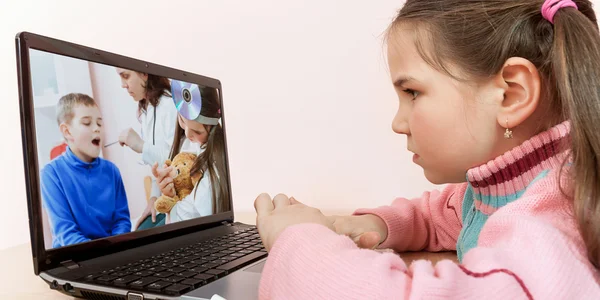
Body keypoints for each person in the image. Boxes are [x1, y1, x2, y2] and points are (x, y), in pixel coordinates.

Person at [253, 0, 600, 299]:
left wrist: (296, 241)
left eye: (412, 93)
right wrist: (371, 223)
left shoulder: (550, 225)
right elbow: (440, 215)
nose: (398, 123)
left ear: (511, 94)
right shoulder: (510, 187)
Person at [41, 93, 131, 248]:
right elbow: (66, 233)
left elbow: (122, 221)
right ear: (67, 132)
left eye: (99, 123)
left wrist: (114, 251)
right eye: (87, 123)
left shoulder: (112, 171)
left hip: (111, 254)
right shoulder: (51, 174)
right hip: (74, 257)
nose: (96, 129)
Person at [153, 84, 231, 223]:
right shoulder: (185, 143)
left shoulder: (211, 176)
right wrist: (171, 193)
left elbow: (193, 216)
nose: (188, 134)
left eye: (198, 132)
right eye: (182, 120)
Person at [115, 68, 178, 230]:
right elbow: (158, 169)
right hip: (165, 195)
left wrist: (141, 146)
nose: (123, 85)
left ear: (144, 73)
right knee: (139, 228)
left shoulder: (169, 104)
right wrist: (153, 199)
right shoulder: (148, 109)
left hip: (180, 198)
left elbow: (177, 164)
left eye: (126, 76)